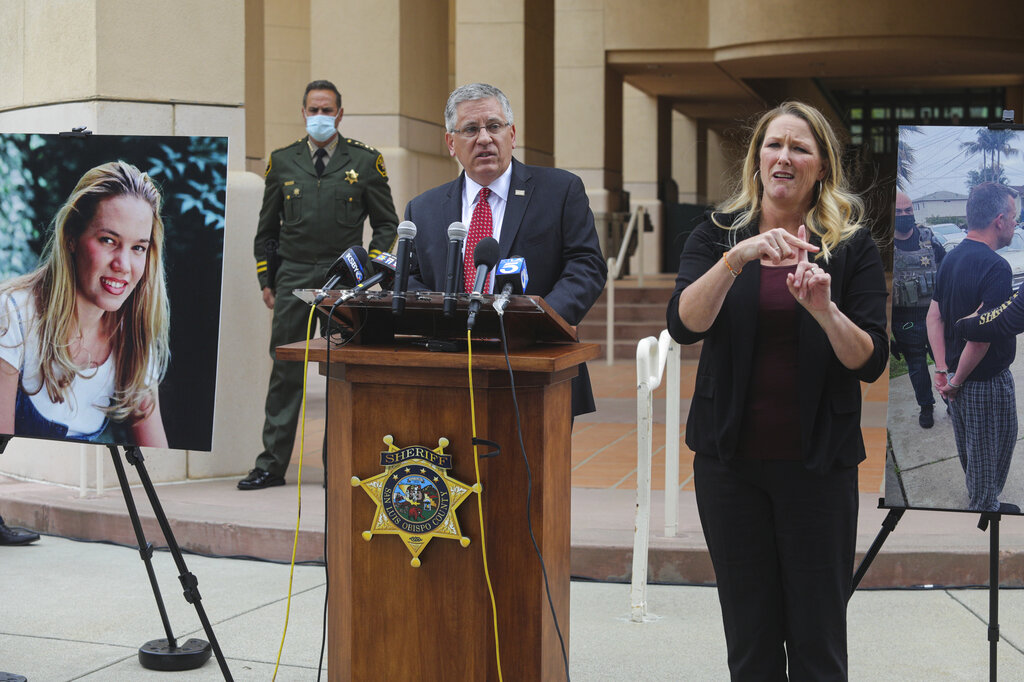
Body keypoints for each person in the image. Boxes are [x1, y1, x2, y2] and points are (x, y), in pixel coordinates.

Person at [666, 101, 888, 679]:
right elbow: (684, 323)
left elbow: (869, 361)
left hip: (818, 467)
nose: (783, 157)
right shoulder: (718, 235)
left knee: (818, 642)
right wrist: (736, 259)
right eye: (773, 145)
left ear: (821, 168)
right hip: (730, 465)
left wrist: (824, 310)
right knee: (750, 638)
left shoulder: (851, 246)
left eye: (800, 148)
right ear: (757, 159)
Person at [404, 83, 607, 418]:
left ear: (512, 134)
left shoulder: (560, 191)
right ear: (451, 143)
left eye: (494, 126)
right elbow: (411, 280)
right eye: (470, 129)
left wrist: (539, 322)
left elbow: (586, 266)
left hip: (536, 368)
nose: (484, 138)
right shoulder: (422, 209)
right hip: (447, 371)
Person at [241, 79, 399, 490]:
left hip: (343, 282)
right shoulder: (282, 161)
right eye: (314, 110)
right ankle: (271, 464)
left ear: (340, 115)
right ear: (303, 112)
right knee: (285, 372)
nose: (320, 117)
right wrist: (267, 277)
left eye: (327, 110)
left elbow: (386, 223)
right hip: (293, 276)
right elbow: (267, 230)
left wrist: (369, 273)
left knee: (341, 374)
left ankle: (339, 466)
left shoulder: (366, 162)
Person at [0, 161, 170, 447]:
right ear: (71, 238)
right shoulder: (13, 316)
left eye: (138, 247)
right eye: (108, 240)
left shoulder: (134, 340)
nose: (123, 265)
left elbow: (158, 459)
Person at [926, 182, 1019, 513]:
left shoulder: (951, 258)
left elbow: (933, 316)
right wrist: (955, 381)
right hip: (983, 384)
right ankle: (984, 512)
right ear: (998, 220)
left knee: (973, 453)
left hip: (958, 379)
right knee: (989, 457)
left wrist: (943, 371)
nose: (1015, 224)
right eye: (1014, 217)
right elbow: (981, 337)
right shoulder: (996, 267)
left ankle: (984, 500)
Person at [891, 191, 944, 428]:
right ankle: (926, 407)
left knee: (944, 362)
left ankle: (951, 399)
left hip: (934, 317)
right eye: (899, 212)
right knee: (916, 366)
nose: (904, 215)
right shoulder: (883, 247)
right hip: (906, 322)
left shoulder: (929, 240)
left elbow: (947, 272)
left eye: (908, 211)